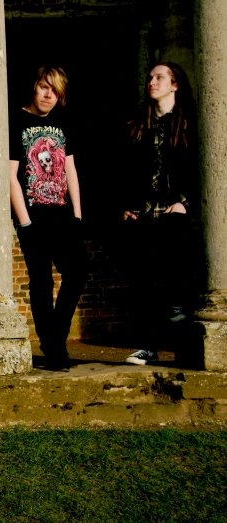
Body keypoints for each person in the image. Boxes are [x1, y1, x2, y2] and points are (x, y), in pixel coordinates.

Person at [9, 65, 86, 372]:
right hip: (33, 215)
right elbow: (11, 175)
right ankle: (53, 348)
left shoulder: (63, 122)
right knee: (41, 282)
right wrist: (24, 222)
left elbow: (70, 169)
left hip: (63, 213)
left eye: (54, 90)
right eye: (44, 87)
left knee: (77, 273)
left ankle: (57, 336)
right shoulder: (16, 120)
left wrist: (77, 214)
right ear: (35, 87)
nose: (48, 94)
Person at [121, 62, 198, 365]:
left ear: (175, 84)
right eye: (150, 77)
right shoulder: (139, 124)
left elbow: (200, 168)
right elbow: (125, 170)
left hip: (176, 215)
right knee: (143, 284)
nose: (152, 82)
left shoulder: (189, 123)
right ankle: (148, 348)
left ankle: (185, 350)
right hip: (143, 216)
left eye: (159, 78)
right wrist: (125, 206)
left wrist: (185, 203)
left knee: (177, 284)